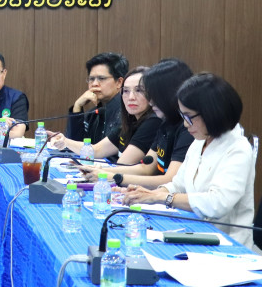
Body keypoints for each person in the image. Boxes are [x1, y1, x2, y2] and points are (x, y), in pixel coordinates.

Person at [124, 74, 254, 248]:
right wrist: (148, 194)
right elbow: (179, 184)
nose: (185, 124)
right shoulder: (200, 141)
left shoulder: (238, 148)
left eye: (189, 117)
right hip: (195, 230)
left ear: (211, 113)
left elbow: (217, 203)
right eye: (182, 116)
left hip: (228, 244)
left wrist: (161, 197)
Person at [80, 58, 194, 188]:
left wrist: (110, 176)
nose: (151, 101)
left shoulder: (186, 129)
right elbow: (147, 168)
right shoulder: (166, 123)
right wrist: (101, 171)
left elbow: (170, 180)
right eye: (126, 91)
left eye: (143, 92)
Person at [49, 67, 161, 164]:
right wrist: (64, 140)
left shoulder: (153, 121)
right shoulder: (130, 122)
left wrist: (95, 170)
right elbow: (96, 150)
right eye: (126, 91)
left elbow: (122, 164)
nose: (131, 97)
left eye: (139, 90)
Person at [65, 52, 128, 143]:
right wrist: (77, 107)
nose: (94, 84)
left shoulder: (127, 114)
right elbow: (72, 146)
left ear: (119, 82)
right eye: (91, 79)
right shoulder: (92, 114)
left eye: (101, 78)